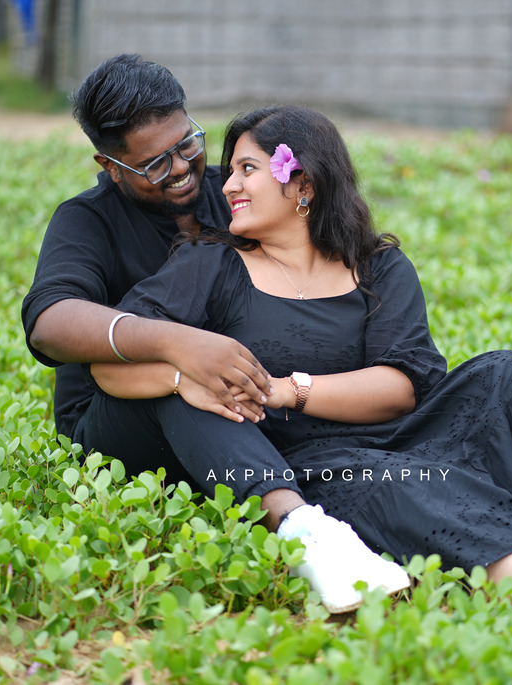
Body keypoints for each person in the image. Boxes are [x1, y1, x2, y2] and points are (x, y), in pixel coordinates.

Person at [90, 104, 512, 607]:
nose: (227, 187)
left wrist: (288, 387)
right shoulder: (211, 265)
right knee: (417, 488)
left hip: (405, 431)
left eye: (246, 169)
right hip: (313, 463)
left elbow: (405, 385)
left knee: (506, 373)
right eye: (230, 172)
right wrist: (181, 376)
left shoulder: (378, 267)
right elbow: (111, 361)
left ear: (301, 183)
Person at [21, 54, 410, 614]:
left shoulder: (230, 190)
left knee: (216, 381)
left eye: (188, 144)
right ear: (109, 166)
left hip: (240, 406)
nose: (181, 168)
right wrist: (176, 346)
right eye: (153, 164)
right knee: (188, 383)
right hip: (119, 418)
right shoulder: (87, 220)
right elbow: (49, 322)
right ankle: (308, 535)